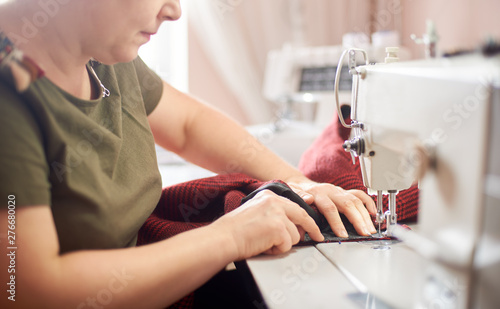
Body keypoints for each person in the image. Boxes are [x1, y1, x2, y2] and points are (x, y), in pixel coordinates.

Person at [0, 0, 377, 308]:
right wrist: (229, 236)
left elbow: (188, 124)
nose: (175, 10)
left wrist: (301, 183)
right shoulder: (9, 92)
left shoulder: (101, 51)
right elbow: (27, 290)